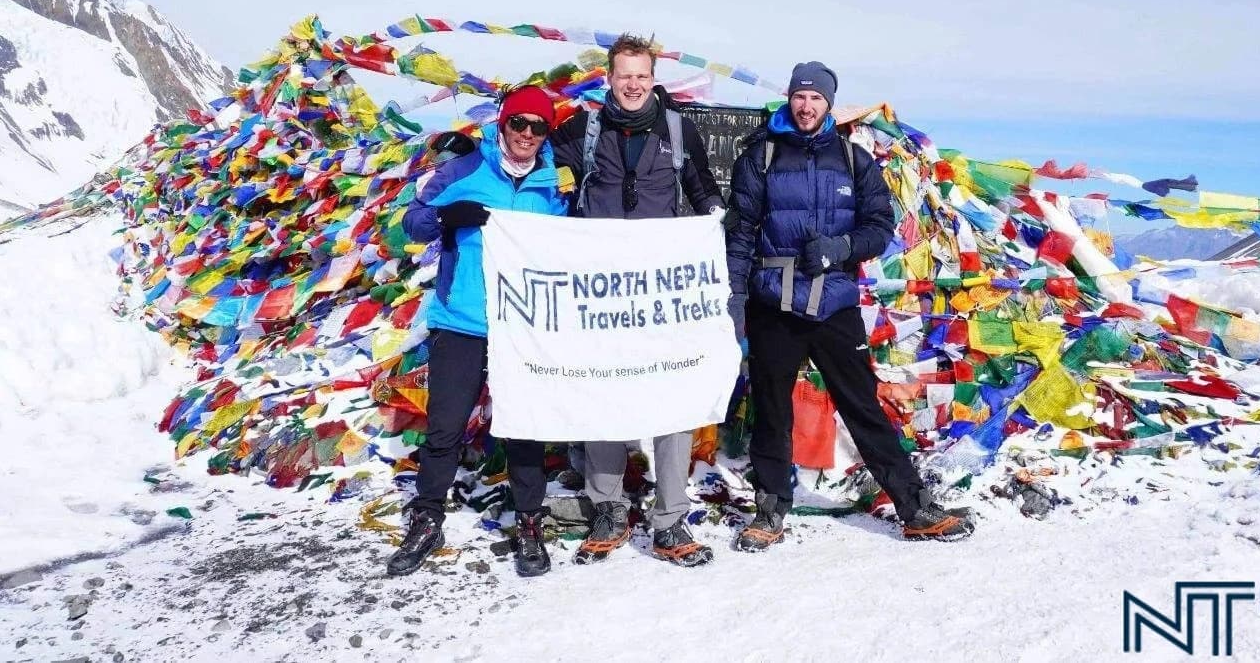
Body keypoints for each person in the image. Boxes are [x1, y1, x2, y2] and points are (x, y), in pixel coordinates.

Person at [725, 61, 974, 550]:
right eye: (800, 96)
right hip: (774, 299)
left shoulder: (855, 161)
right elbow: (740, 232)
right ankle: (770, 510)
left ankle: (914, 505)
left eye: (816, 98)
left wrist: (841, 249)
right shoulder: (761, 155)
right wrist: (735, 298)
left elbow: (879, 227)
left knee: (862, 405)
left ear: (829, 105)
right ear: (790, 99)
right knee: (772, 411)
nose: (806, 105)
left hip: (834, 301)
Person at [550, 33, 726, 567]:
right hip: (600, 292)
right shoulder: (581, 130)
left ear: (654, 79)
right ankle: (607, 508)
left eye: (642, 76)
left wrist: (715, 225)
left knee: (671, 395)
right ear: (610, 77)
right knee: (603, 393)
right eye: (624, 75)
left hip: (662, 292)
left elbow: (703, 192)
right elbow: (532, 168)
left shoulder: (678, 129)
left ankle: (671, 520)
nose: (632, 85)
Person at [386, 84, 569, 578]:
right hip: (461, 318)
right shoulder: (465, 167)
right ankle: (426, 517)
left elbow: (569, 248)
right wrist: (448, 214)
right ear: (504, 123)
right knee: (445, 426)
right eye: (519, 123)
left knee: (523, 426)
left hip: (521, 325)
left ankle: (529, 519)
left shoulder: (554, 183)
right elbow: (409, 224)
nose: (527, 134)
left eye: (538, 126)